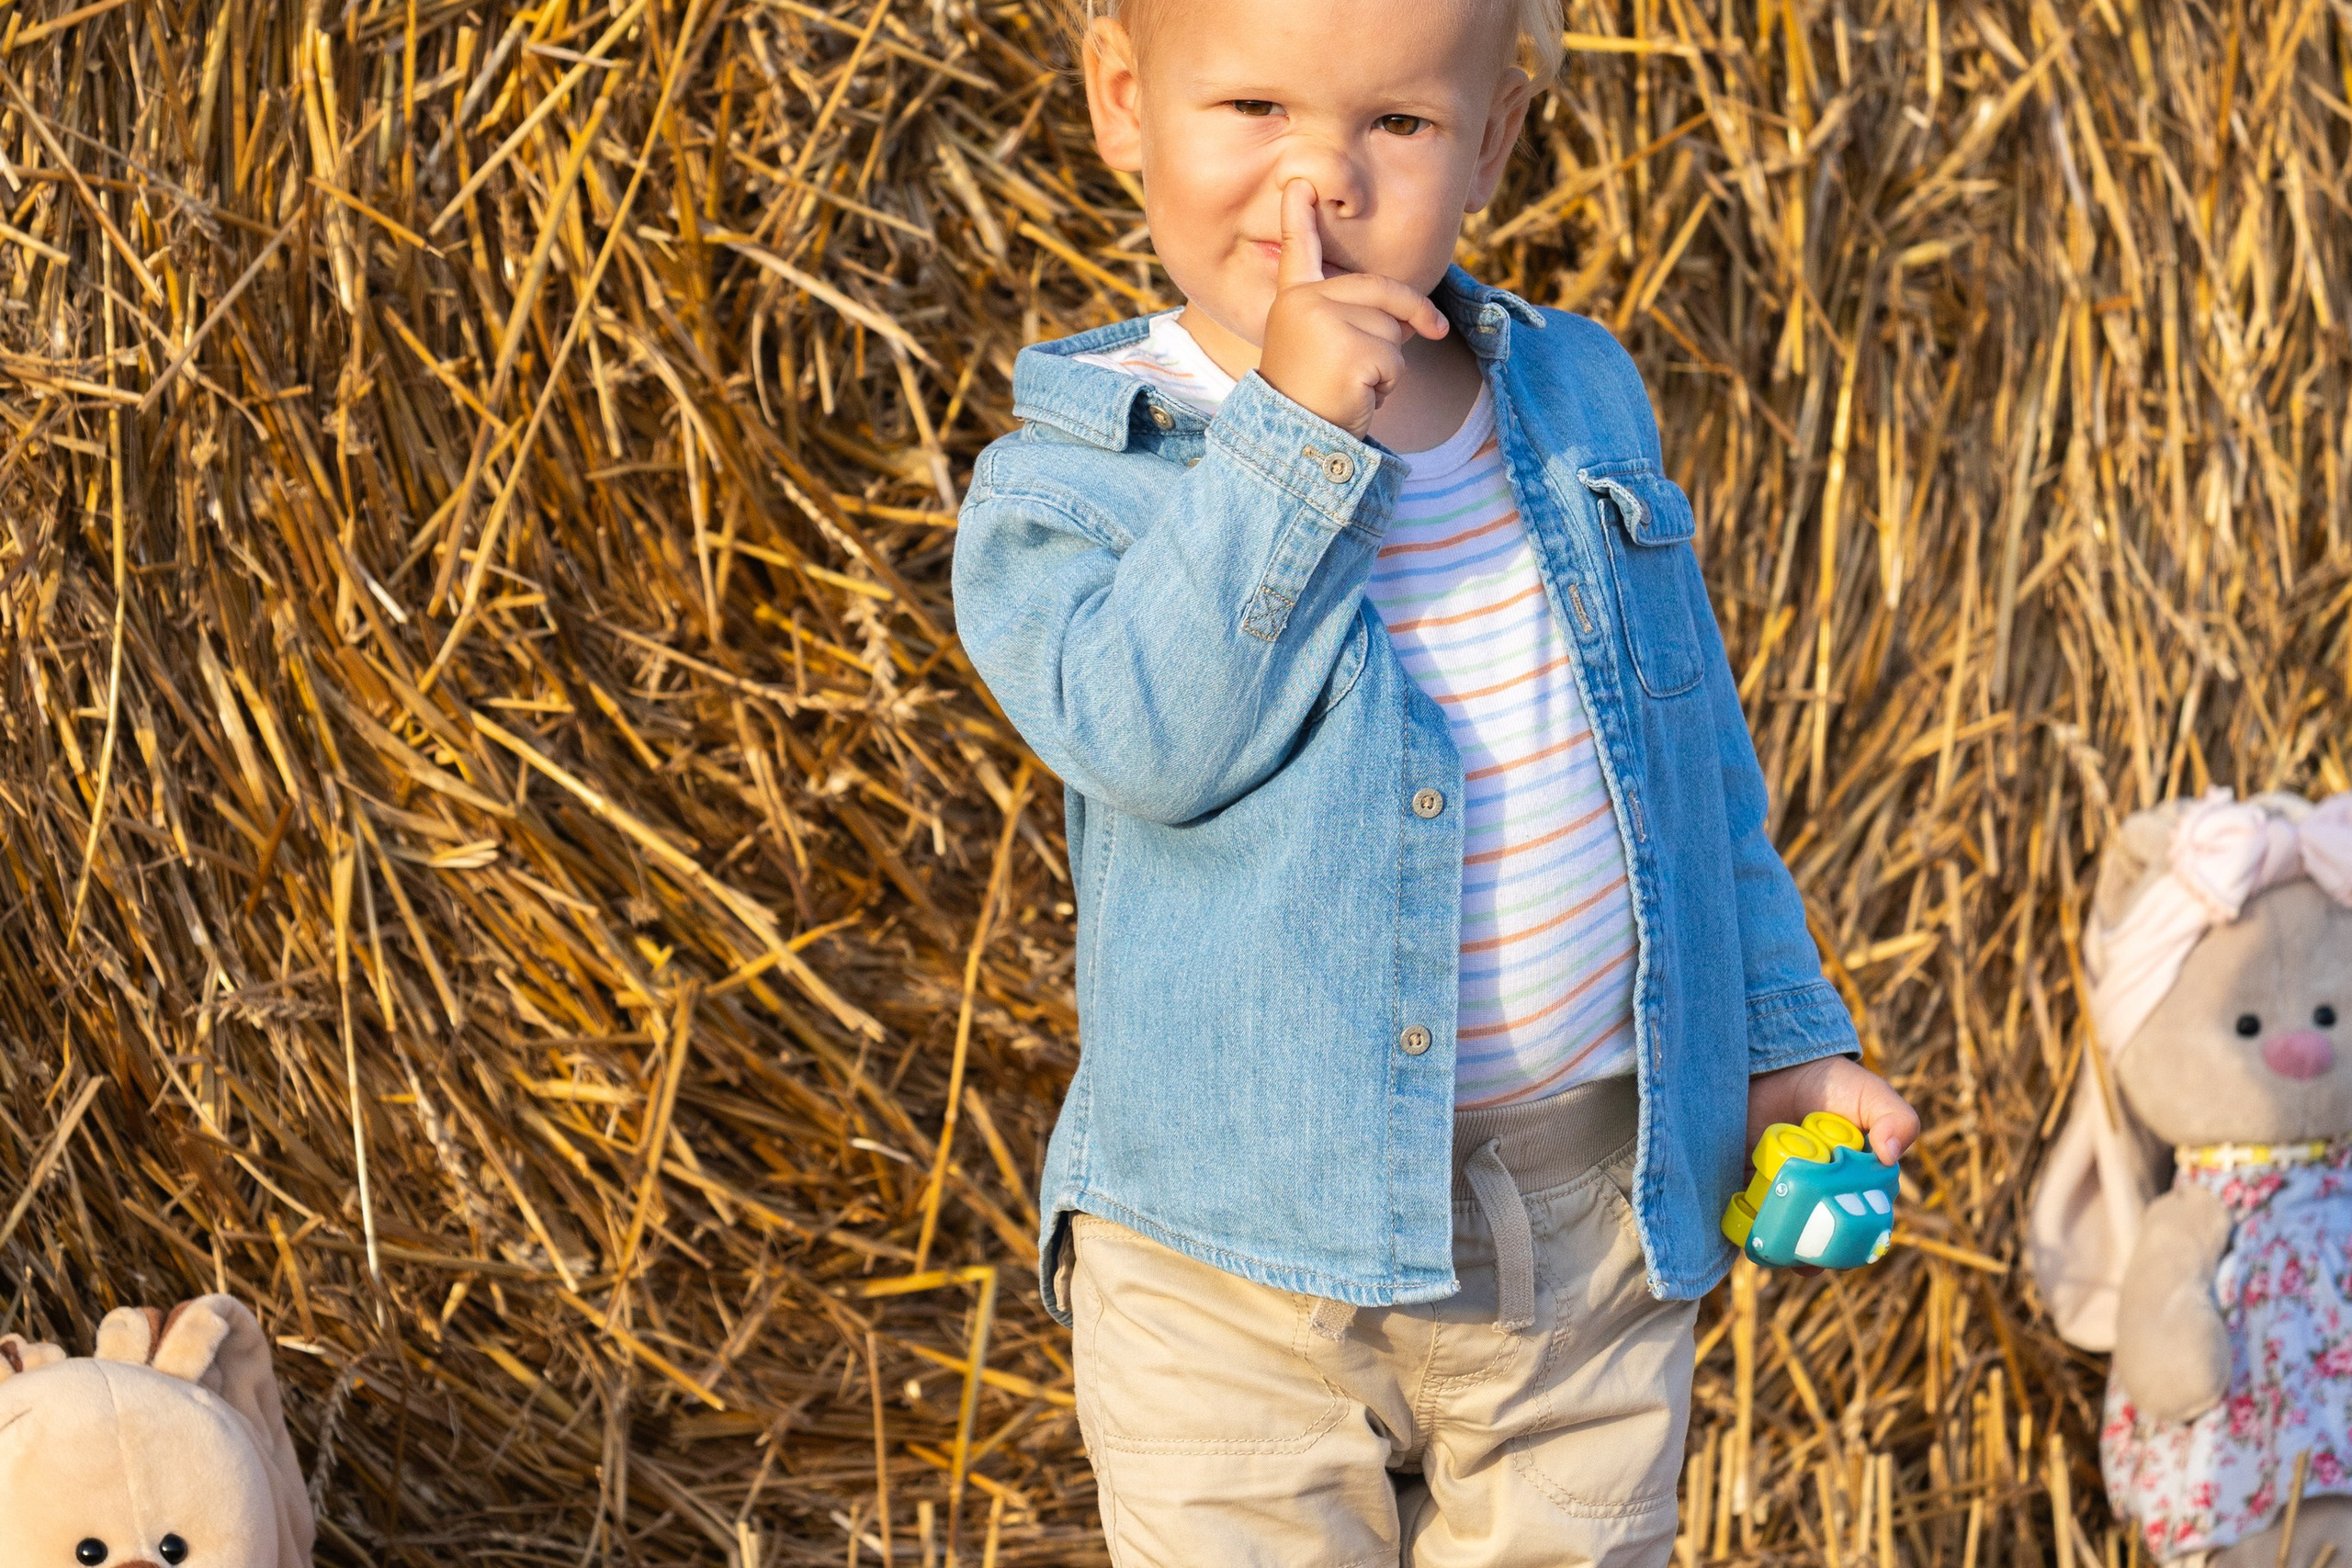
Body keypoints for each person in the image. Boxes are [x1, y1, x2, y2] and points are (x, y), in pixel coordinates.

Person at [949, 1, 1920, 1562]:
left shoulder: (1577, 398)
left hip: (1580, 1233)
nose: (1317, 180)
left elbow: (1689, 764)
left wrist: (1785, 1039)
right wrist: (1287, 436)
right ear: (1126, 104)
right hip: (1235, 1275)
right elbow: (1141, 737)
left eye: (1395, 124)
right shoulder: (1079, 475)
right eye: (1253, 105)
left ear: (1495, 140)